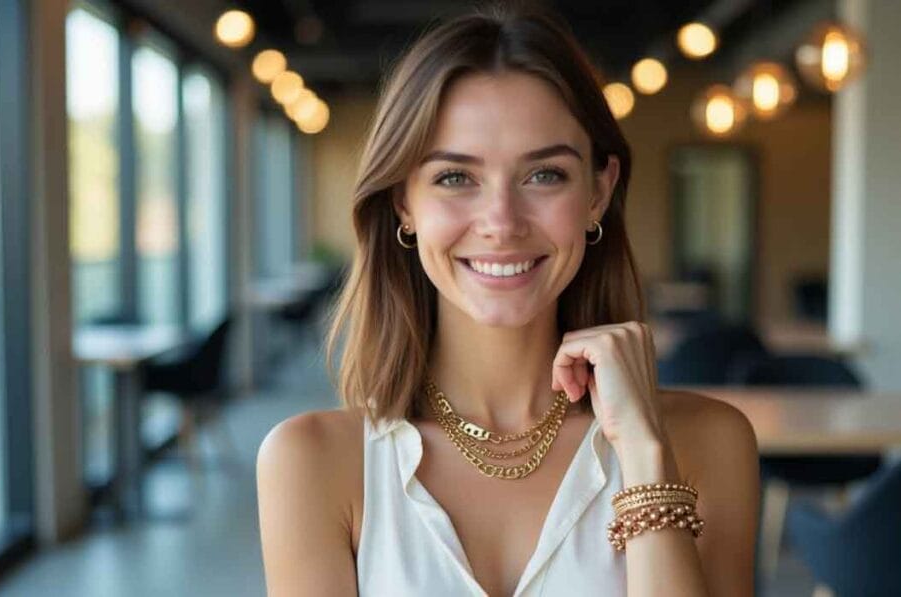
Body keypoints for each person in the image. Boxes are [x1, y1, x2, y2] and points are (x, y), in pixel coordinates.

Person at [257, 4, 759, 596]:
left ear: (599, 191)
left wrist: (646, 455)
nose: (501, 222)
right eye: (454, 177)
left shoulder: (707, 441)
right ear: (403, 203)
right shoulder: (311, 462)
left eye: (544, 175)